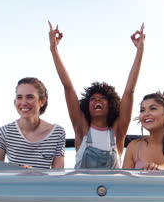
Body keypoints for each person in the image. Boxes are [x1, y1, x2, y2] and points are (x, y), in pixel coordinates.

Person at [48, 21, 145, 168]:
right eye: (92, 99)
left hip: (112, 190)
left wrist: (140, 50)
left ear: (111, 104)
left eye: (102, 98)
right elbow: (68, 87)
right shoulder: (81, 127)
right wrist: (53, 49)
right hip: (82, 190)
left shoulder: (118, 131)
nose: (96, 101)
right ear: (87, 105)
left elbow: (129, 91)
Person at [0, 77, 65, 169]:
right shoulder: (3, 132)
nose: (23, 102)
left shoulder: (57, 133)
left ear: (42, 101)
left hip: (42, 190)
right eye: (19, 97)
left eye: (30, 97)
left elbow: (57, 178)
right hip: (12, 191)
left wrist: (36, 175)